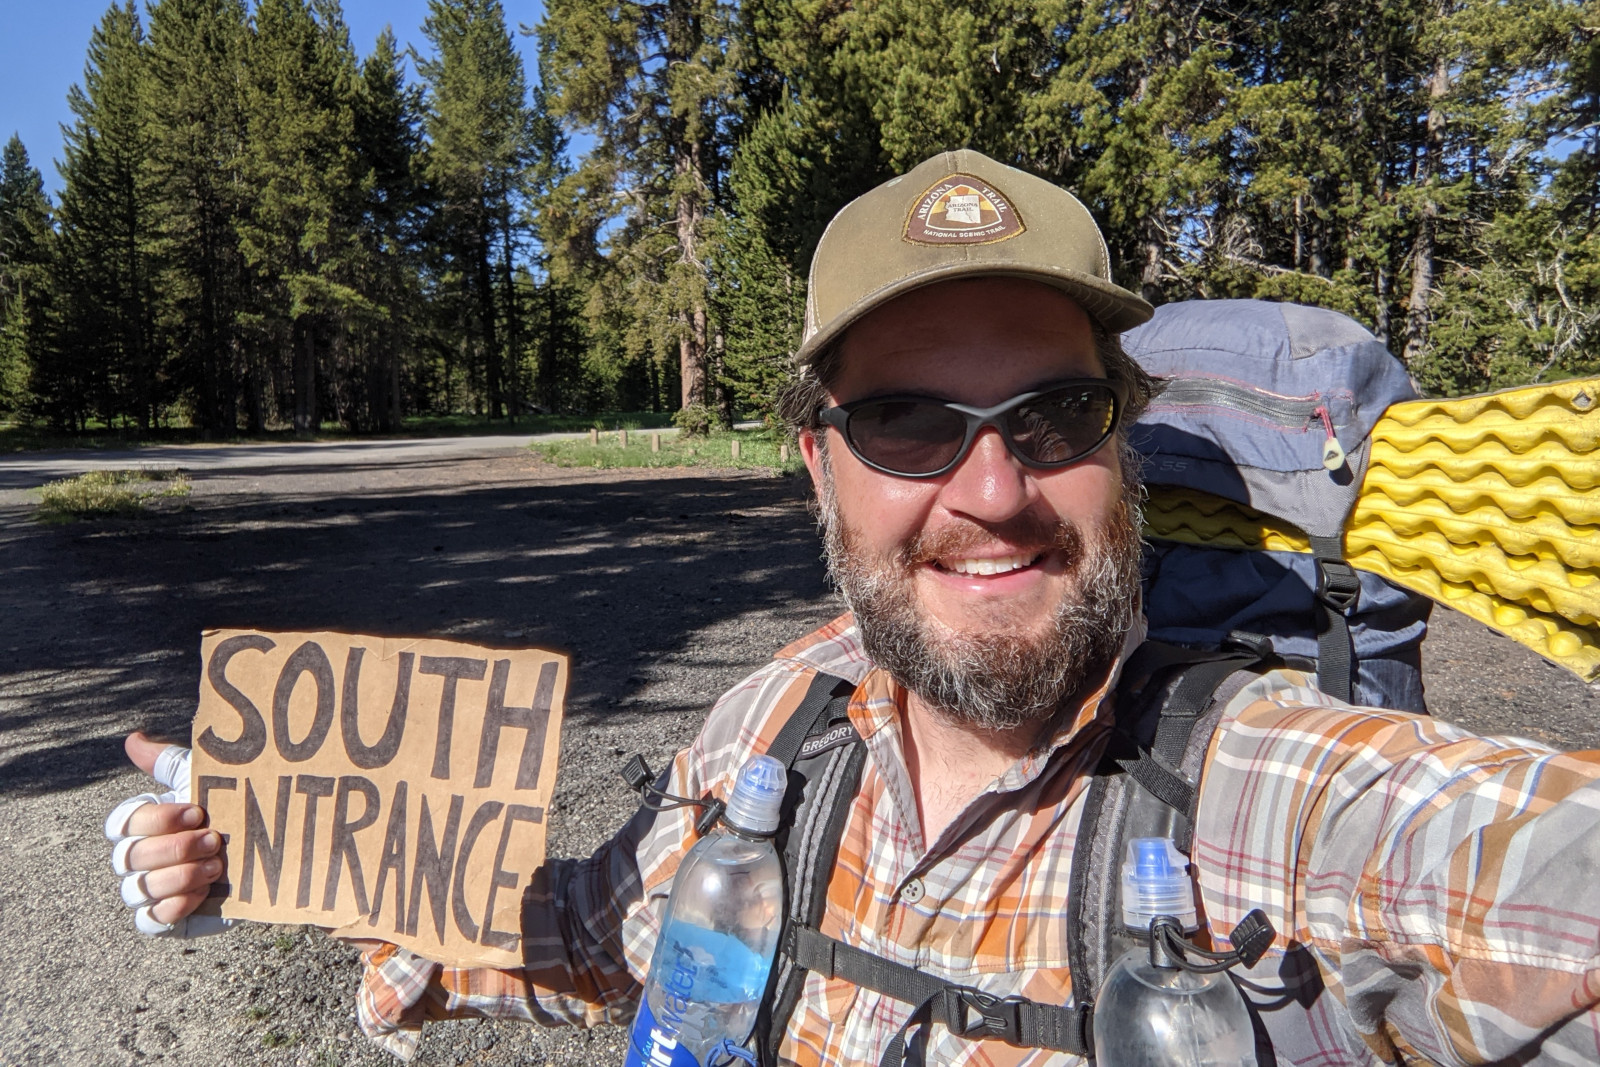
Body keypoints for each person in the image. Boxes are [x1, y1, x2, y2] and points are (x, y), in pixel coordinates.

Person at [109, 150, 1600, 1066]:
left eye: (1056, 411)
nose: (995, 487)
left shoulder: (1271, 792)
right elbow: (597, 932)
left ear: (1119, 446)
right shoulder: (781, 726)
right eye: (904, 422)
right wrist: (297, 849)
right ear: (819, 466)